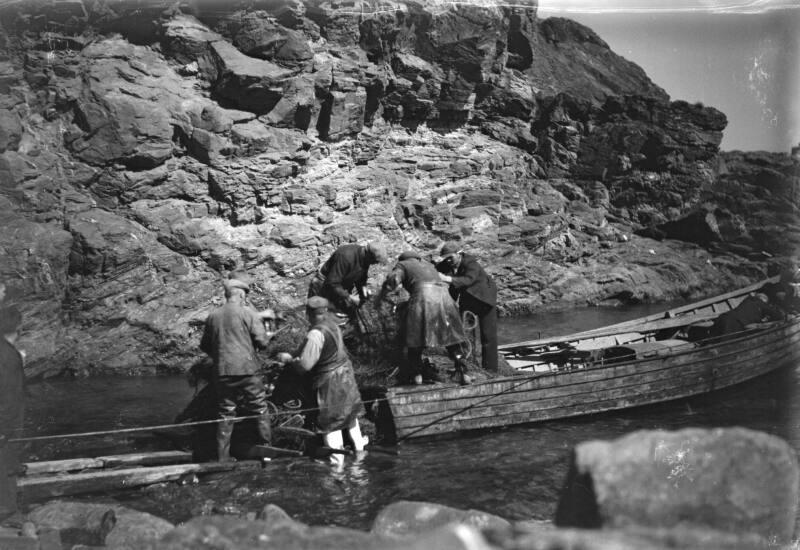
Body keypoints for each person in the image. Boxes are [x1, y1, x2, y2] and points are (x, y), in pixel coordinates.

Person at [276, 296, 368, 454]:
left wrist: (289, 361)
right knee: (350, 416)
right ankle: (359, 457)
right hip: (346, 377)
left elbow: (305, 366)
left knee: (331, 422)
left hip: (330, 383)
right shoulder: (334, 325)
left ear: (309, 313)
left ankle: (336, 467)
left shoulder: (316, 334)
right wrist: (294, 355)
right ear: (325, 311)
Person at [200, 278, 274, 462]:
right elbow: (262, 343)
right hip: (248, 370)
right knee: (260, 408)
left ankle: (222, 457)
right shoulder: (248, 313)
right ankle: (267, 452)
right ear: (241, 294)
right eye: (245, 296)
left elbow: (205, 346)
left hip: (223, 371)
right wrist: (268, 335)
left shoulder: (213, 316)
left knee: (226, 412)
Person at [380, 250, 471, 385]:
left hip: (424, 298)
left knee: (415, 337)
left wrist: (384, 290)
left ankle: (417, 375)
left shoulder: (403, 265)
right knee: (451, 338)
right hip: (445, 298)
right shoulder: (428, 265)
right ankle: (464, 373)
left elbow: (394, 280)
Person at [436, 242, 499, 372]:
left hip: (485, 299)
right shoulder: (447, 263)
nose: (448, 261)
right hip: (468, 300)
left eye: (450, 257)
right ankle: (470, 366)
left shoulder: (471, 263)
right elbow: (433, 269)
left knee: (488, 337)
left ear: (459, 254)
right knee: (465, 334)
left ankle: (491, 370)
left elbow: (468, 280)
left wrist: (447, 279)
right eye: (445, 258)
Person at [308, 241, 388, 317]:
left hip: (339, 285)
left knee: (342, 312)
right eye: (375, 261)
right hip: (323, 284)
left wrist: (363, 287)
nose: (375, 264)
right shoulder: (346, 257)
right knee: (319, 315)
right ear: (369, 255)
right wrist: (350, 297)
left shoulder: (364, 258)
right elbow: (332, 282)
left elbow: (361, 277)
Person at [0, 306, 24, 521]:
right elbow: (8, 397)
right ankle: (6, 511)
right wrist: (4, 428)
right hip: (5, 426)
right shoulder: (9, 356)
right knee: (5, 464)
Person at [709, 292, 785, 341]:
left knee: (712, 340)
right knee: (723, 345)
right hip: (734, 323)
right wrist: (783, 317)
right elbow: (775, 314)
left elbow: (748, 314)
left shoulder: (746, 301)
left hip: (723, 317)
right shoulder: (760, 303)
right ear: (763, 300)